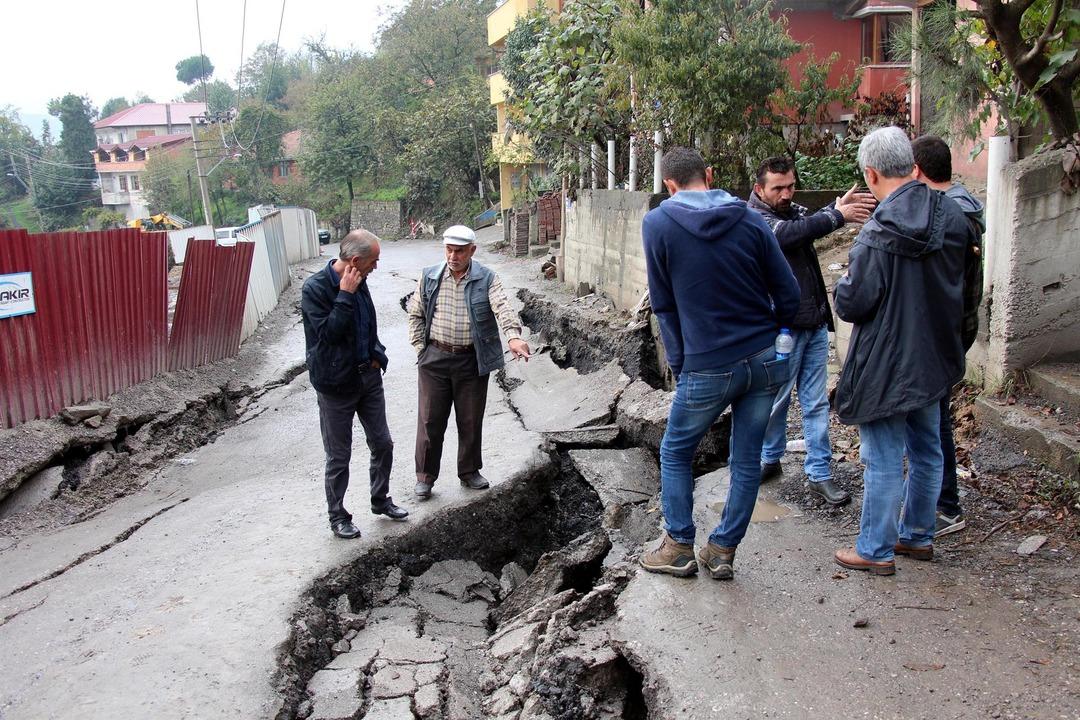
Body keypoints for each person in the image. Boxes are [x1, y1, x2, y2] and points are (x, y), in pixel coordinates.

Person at [638, 146, 800, 580]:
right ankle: (722, 550)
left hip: (708, 364)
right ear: (708, 175)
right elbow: (788, 291)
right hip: (765, 358)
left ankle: (678, 547)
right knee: (747, 459)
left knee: (675, 451)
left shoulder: (658, 223)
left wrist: (681, 362)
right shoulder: (749, 218)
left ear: (669, 185)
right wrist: (781, 335)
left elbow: (664, 304)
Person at [833, 127, 973, 575]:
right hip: (934, 355)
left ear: (871, 174)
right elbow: (969, 290)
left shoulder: (877, 233)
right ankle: (917, 536)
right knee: (929, 449)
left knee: (884, 457)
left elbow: (855, 303)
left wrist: (842, 283)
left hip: (887, 362)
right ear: (911, 166)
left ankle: (875, 549)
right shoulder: (953, 217)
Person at [747, 156, 876, 505]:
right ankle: (768, 459)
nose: (787, 193)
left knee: (815, 402)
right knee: (776, 401)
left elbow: (809, 222)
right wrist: (837, 215)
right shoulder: (757, 219)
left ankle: (819, 473)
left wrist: (836, 208)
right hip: (781, 329)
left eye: (791, 185)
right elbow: (789, 236)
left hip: (814, 323)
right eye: (779, 188)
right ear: (760, 189)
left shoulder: (793, 211)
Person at [406, 225, 531, 499]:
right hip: (434, 359)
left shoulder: (486, 278)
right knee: (430, 419)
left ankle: (469, 471)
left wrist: (513, 337)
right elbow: (415, 313)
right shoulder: (430, 276)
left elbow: (503, 309)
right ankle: (425, 477)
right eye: (449, 250)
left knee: (470, 419)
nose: (453, 256)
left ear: (472, 251)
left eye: (460, 251)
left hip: (471, 360)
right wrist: (420, 349)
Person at [301, 229, 409, 540]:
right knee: (339, 455)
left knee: (383, 443)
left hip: (368, 377)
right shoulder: (316, 288)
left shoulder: (360, 279)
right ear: (356, 260)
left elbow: (366, 324)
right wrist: (345, 294)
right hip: (335, 385)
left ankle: (380, 500)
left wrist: (377, 354)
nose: (376, 266)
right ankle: (338, 516)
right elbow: (329, 335)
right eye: (374, 261)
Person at [912, 134, 986, 538]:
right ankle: (936, 498)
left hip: (944, 333)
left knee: (935, 419)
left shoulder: (947, 216)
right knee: (934, 414)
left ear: (917, 170)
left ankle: (945, 505)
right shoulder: (965, 207)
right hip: (957, 329)